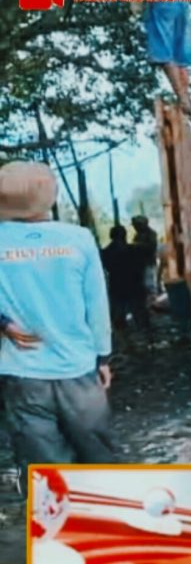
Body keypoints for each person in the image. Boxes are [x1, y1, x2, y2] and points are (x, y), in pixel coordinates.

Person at [0, 162, 117, 490]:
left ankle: (59, 534)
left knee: (44, 468)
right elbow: (96, 304)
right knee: (99, 458)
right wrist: (103, 357)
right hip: (78, 370)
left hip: (22, 374)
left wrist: (4, 322)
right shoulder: (78, 239)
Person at [101, 225, 152, 331]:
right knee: (140, 315)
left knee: (119, 318)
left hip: (117, 287)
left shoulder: (106, 252)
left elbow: (106, 267)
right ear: (125, 236)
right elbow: (143, 264)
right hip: (134, 286)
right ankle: (146, 340)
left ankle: (126, 342)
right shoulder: (135, 250)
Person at [132, 215, 160, 298]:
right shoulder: (138, 235)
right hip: (140, 263)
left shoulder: (151, 233)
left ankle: (152, 301)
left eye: (137, 225)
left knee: (149, 284)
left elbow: (151, 246)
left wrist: (138, 246)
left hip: (149, 262)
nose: (135, 227)